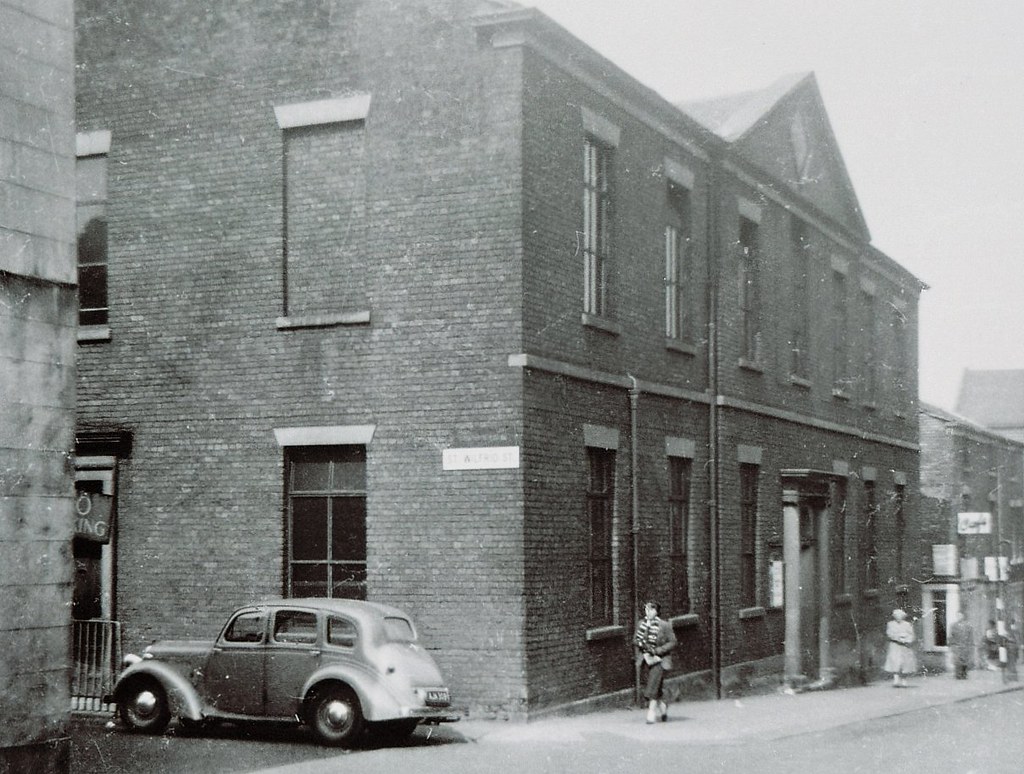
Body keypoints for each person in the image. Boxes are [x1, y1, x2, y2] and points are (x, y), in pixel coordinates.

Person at [634, 599, 677, 723]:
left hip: (660, 660)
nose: (648, 612)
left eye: (651, 610)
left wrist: (658, 650)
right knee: (654, 685)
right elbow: (635, 639)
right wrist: (643, 645)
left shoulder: (664, 625)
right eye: (646, 609)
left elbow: (673, 642)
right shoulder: (641, 624)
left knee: (652, 685)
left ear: (657, 612)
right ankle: (663, 708)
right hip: (646, 659)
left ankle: (651, 712)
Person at [883, 608, 916, 687]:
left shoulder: (907, 624)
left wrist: (907, 640)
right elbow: (889, 634)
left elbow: (911, 635)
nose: (898, 617)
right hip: (895, 645)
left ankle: (904, 680)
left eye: (900, 615)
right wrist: (898, 638)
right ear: (894, 616)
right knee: (895, 662)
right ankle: (896, 680)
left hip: (905, 646)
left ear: (903, 616)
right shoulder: (890, 624)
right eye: (896, 615)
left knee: (905, 663)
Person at [949, 611, 974, 679]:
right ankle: (958, 675)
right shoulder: (953, 625)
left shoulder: (968, 626)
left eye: (960, 615)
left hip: (966, 645)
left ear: (963, 616)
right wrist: (952, 645)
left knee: (965, 661)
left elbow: (970, 637)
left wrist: (970, 645)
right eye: (958, 616)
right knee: (957, 661)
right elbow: (951, 636)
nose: (959, 617)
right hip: (957, 646)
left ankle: (964, 674)